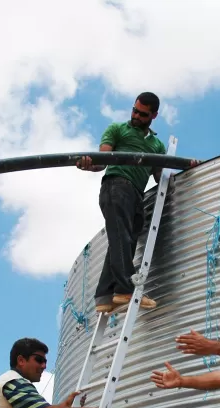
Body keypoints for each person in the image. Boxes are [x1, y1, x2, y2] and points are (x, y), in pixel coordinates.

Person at [77, 91, 197, 313]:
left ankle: (104, 296)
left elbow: (160, 177)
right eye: (134, 110)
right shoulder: (117, 130)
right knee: (120, 236)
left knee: (127, 240)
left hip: (136, 194)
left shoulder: (157, 146)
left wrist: (186, 167)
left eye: (142, 114)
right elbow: (101, 160)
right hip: (116, 186)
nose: (135, 116)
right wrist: (89, 164)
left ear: (153, 115)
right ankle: (125, 289)